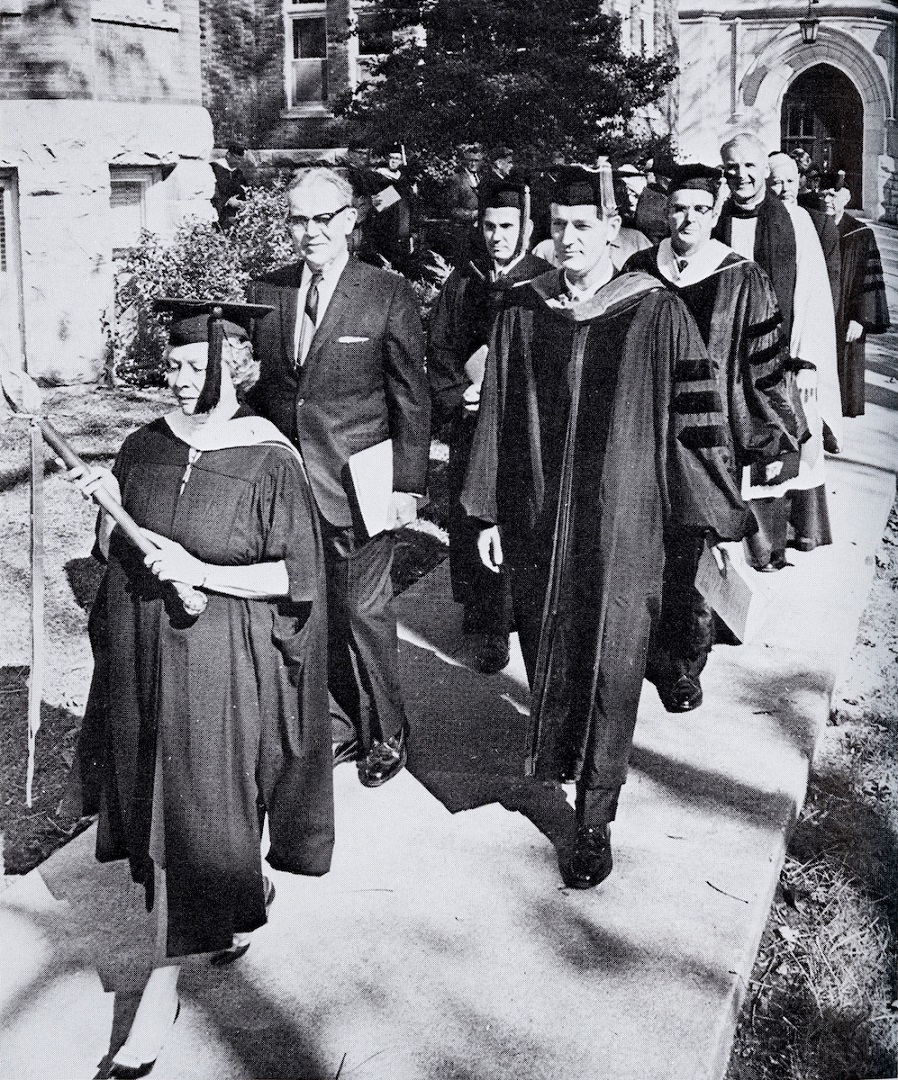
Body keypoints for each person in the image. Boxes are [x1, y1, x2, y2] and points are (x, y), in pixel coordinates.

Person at [462, 165, 751, 890]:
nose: (569, 239)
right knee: (553, 646)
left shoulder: (654, 312)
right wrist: (490, 512)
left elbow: (697, 423)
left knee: (615, 656)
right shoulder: (522, 312)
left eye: (583, 225)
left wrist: (704, 517)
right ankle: (558, 764)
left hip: (628, 523)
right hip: (538, 523)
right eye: (558, 226)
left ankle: (594, 817)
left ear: (613, 232)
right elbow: (495, 413)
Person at [70, 299, 333, 1078]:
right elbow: (114, 550)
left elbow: (297, 574)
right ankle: (230, 895)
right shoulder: (142, 445)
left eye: (195, 366)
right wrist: (104, 505)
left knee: (196, 810)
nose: (178, 380)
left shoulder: (268, 457)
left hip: (222, 658)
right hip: (145, 656)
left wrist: (204, 572)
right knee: (167, 803)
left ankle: (158, 999)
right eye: (172, 365)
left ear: (237, 367)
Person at [248, 167, 431, 788]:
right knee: (309, 612)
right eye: (297, 220)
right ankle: (340, 726)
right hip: (292, 489)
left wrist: (408, 486)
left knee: (364, 613)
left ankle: (387, 733)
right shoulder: (267, 291)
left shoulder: (386, 293)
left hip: (361, 488)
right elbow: (266, 391)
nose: (309, 232)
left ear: (349, 221)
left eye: (321, 219)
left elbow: (412, 398)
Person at [625, 164, 804, 712]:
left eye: (700, 209)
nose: (688, 220)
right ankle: (638, 649)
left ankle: (684, 663)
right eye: (678, 208)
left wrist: (773, 435)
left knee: (697, 550)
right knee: (640, 546)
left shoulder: (740, 275)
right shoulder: (638, 270)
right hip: (641, 431)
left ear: (716, 211)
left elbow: (764, 366)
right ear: (665, 211)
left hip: (710, 439)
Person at [427, 180, 551, 674]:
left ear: (526, 228)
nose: (497, 237)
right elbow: (438, 349)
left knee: (526, 514)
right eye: (489, 226)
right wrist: (460, 393)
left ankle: (526, 611)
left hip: (528, 427)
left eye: (508, 227)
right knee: (474, 514)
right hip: (474, 426)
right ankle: (488, 626)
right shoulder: (465, 280)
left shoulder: (545, 280)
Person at [715, 132, 841, 567]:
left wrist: (807, 363)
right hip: (728, 361)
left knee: (778, 446)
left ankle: (772, 543)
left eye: (750, 165)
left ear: (764, 170)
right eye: (732, 166)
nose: (741, 175)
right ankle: (735, 542)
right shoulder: (718, 219)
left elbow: (810, 292)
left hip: (777, 360)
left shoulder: (794, 221)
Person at [814, 172, 890, 417]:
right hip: (816, 311)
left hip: (846, 314)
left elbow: (869, 278)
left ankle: (835, 426)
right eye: (823, 193)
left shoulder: (860, 234)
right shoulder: (810, 227)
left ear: (846, 197)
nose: (827, 199)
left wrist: (861, 318)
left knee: (843, 371)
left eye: (833, 194)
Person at [769, 151, 841, 314]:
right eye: (777, 182)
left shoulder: (821, 224)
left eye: (790, 181)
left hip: (807, 316)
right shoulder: (758, 222)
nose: (785, 189)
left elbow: (830, 285)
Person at [446, 144, 484, 267]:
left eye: (476, 161)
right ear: (465, 161)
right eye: (470, 161)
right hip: (463, 233)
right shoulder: (456, 179)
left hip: (480, 232)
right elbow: (451, 209)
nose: (473, 164)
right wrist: (472, 214)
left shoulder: (482, 178)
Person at [210, 145, 250, 229]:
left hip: (234, 213)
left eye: (241, 160)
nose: (239, 162)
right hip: (218, 211)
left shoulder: (238, 172)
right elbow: (211, 190)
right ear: (228, 155)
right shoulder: (214, 168)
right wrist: (227, 200)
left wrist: (242, 202)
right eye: (237, 158)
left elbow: (244, 190)